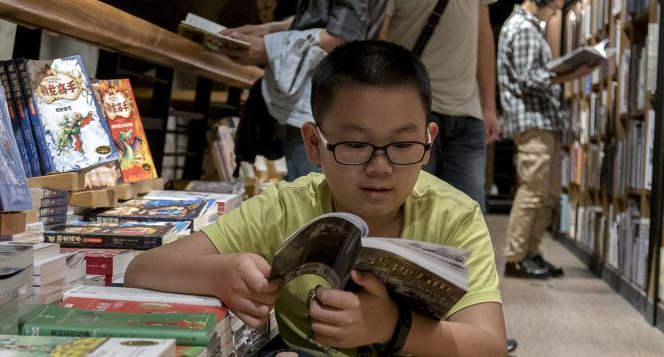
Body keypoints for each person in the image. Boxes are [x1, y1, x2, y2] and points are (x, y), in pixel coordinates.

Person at [126, 40, 509, 357]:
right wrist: (219, 273)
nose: (380, 167)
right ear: (313, 143)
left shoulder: (454, 216)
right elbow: (143, 269)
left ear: (428, 143)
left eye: (402, 145)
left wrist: (392, 328)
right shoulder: (289, 207)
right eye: (354, 145)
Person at [219, 1, 374, 181]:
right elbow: (317, 18)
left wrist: (268, 47)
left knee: (313, 196)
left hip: (322, 101)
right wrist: (267, 30)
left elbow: (342, 37)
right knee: (306, 191)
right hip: (312, 102)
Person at [379, 0, 498, 212]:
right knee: (410, 216)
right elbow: (377, 40)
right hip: (412, 112)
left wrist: (489, 106)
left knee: (467, 218)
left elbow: (484, 34)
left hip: (467, 116)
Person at [498, 0, 588, 278]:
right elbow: (528, 78)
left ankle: (531, 252)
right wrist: (571, 74)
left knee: (547, 193)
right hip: (531, 120)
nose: (555, 13)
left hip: (542, 121)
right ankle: (515, 257)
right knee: (532, 191)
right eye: (554, 7)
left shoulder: (530, 28)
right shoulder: (523, 28)